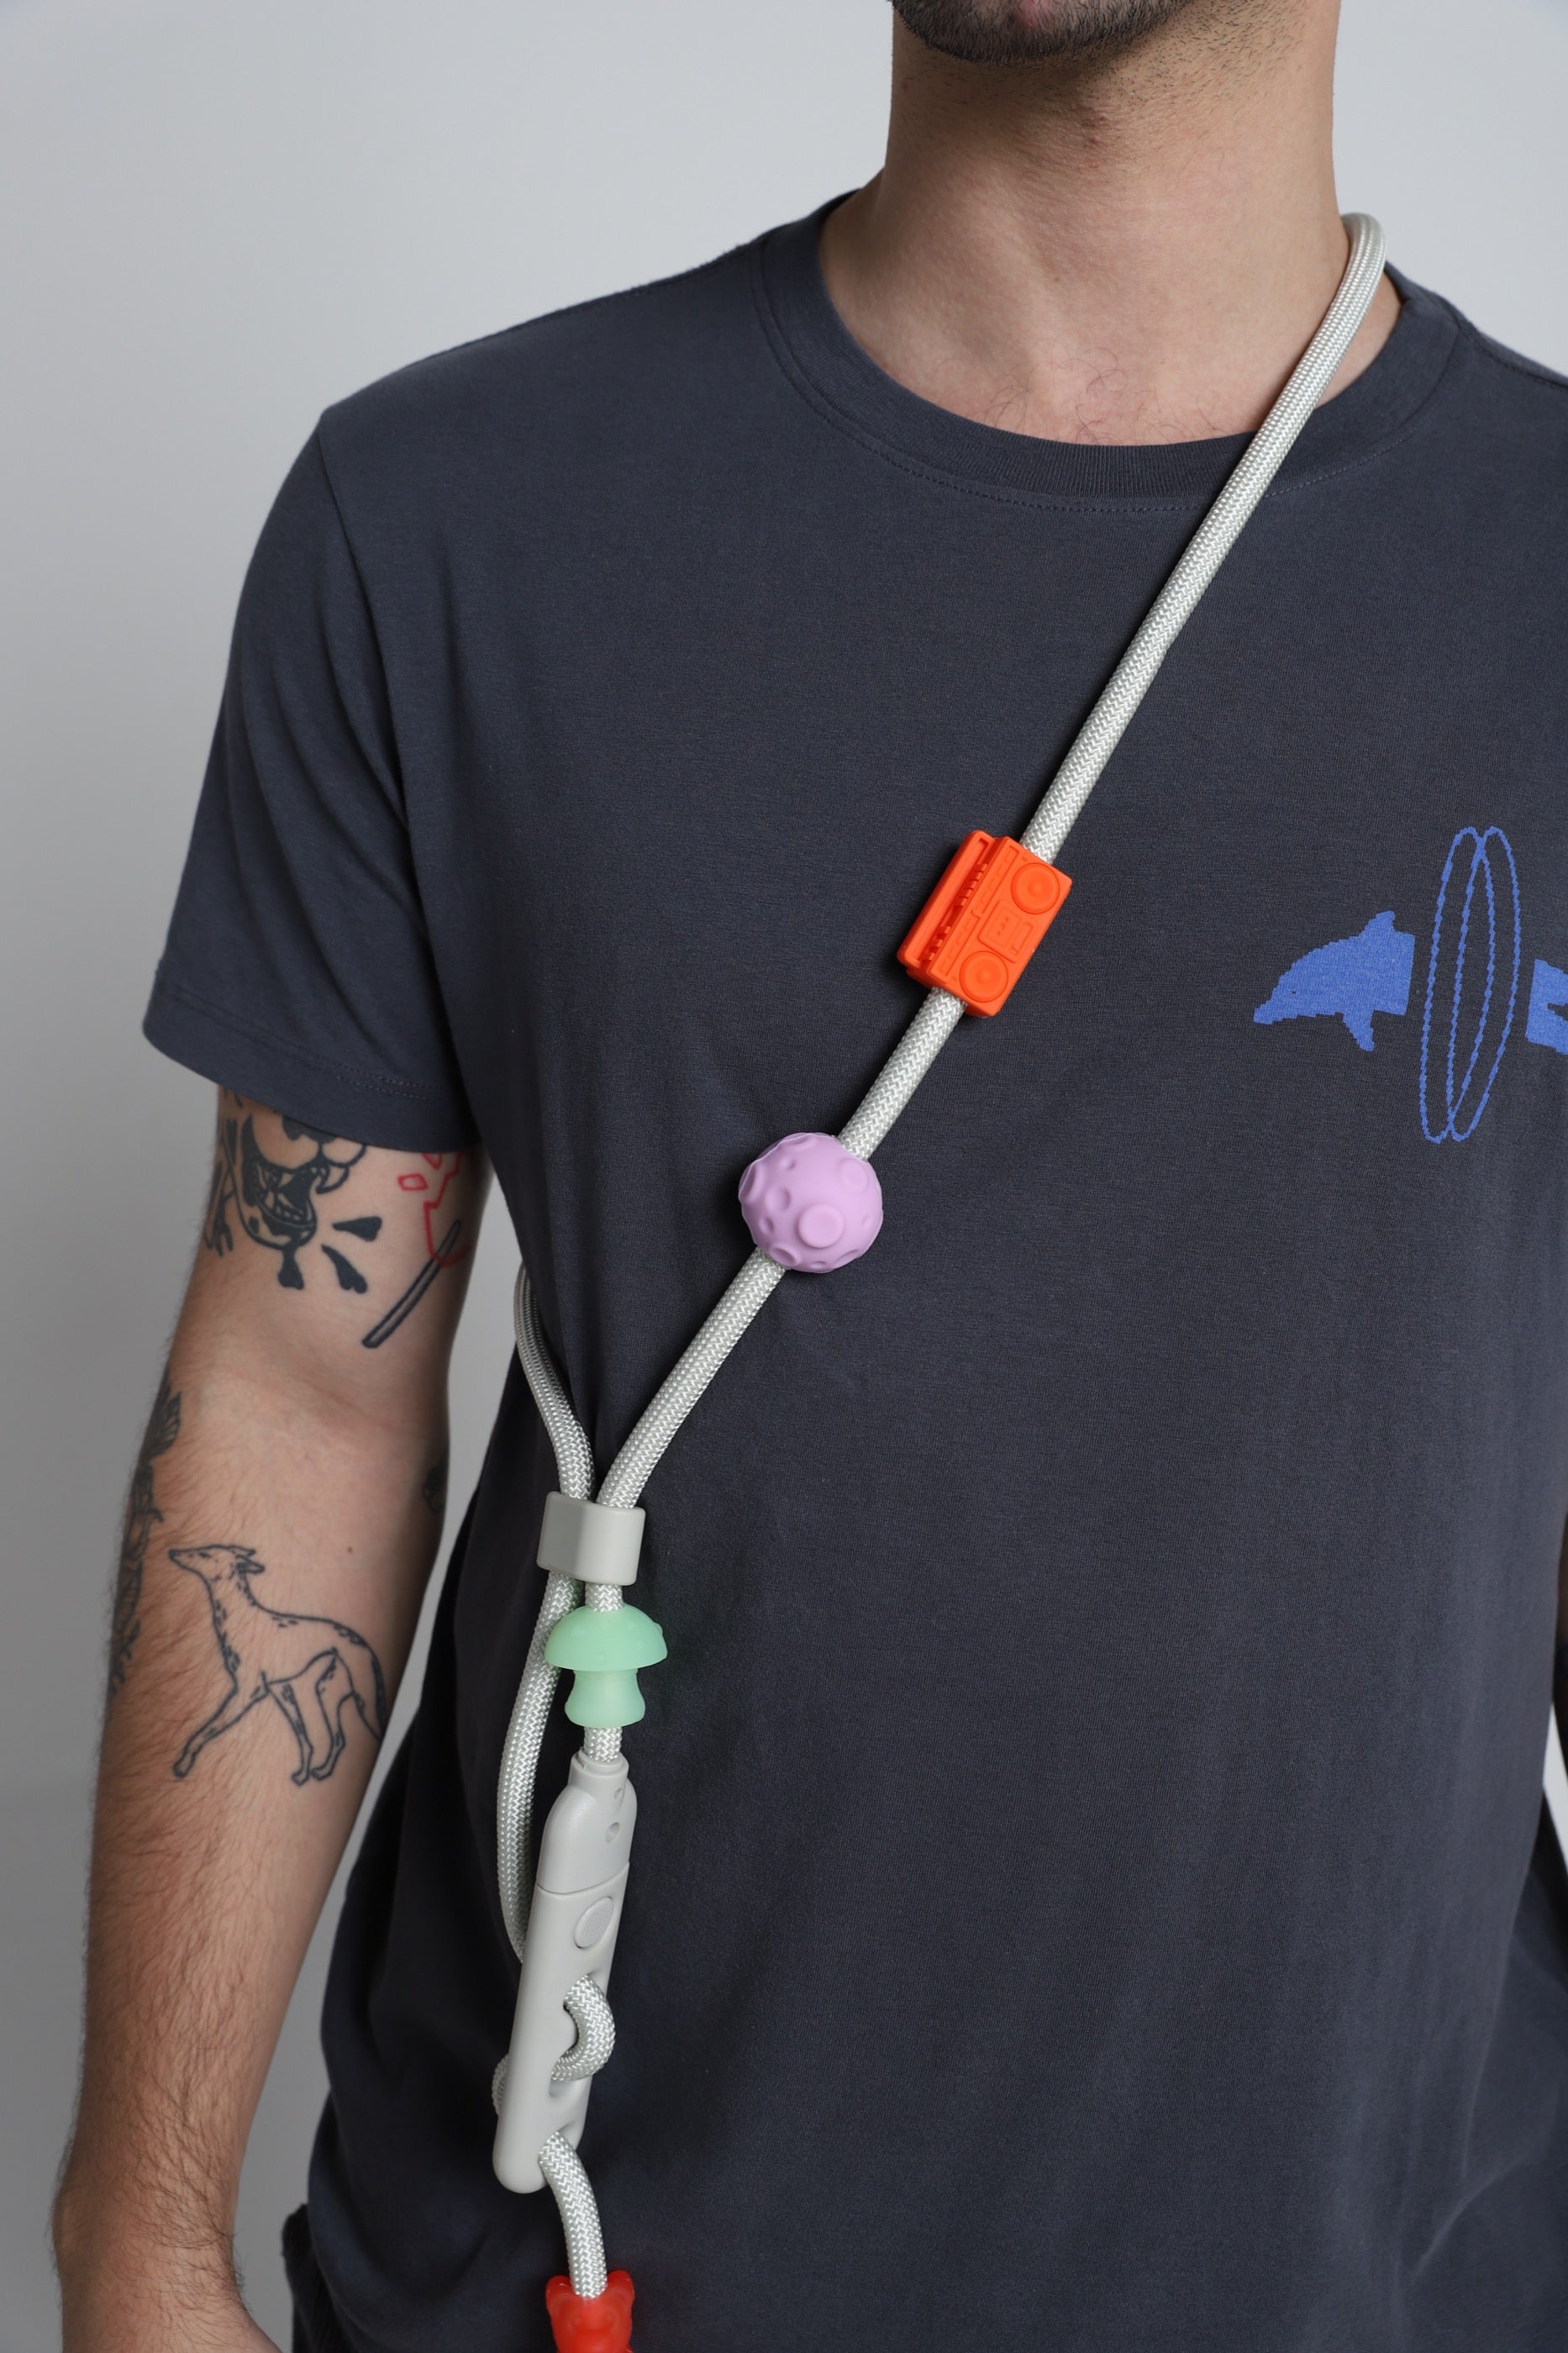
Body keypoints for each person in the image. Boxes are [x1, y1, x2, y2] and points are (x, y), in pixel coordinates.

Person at [52, 0, 1568, 2346]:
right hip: (560, 2264)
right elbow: (296, 1389)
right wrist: (138, 2252)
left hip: (1398, 2279)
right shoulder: (448, 511)